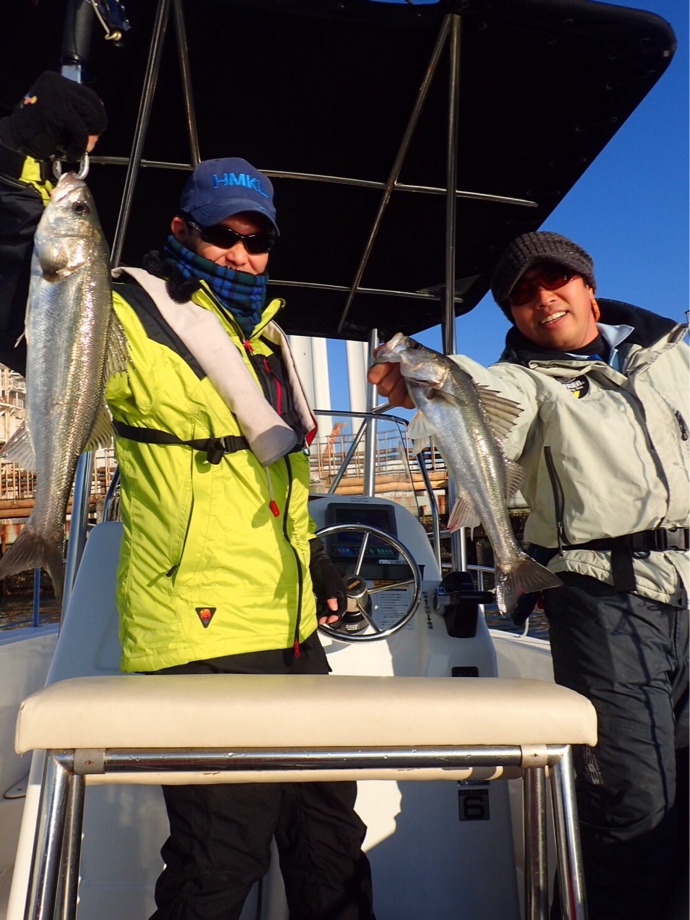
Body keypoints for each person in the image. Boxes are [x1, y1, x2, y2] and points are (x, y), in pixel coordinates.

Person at [0, 71, 376, 920]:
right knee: (218, 858)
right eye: (221, 234)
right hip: (199, 632)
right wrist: (18, 163)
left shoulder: (265, 339)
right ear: (181, 230)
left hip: (290, 625)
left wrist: (313, 563)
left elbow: (275, 484)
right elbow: (25, 291)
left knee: (330, 844)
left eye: (257, 239)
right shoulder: (129, 311)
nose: (242, 253)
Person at [369, 230, 689, 920]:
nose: (542, 301)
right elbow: (477, 390)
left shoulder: (673, 355)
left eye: (554, 282)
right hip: (604, 596)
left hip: (687, 589)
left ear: (587, 286)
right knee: (633, 803)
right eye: (521, 296)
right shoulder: (523, 380)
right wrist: (426, 376)